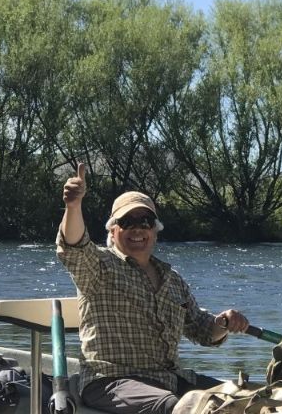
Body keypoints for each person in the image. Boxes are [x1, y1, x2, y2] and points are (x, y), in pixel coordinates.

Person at [57, 163, 250, 414]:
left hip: (170, 380)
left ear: (155, 232)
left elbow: (203, 330)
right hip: (110, 381)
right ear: (113, 231)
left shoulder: (173, 280)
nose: (137, 228)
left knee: (247, 398)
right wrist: (73, 207)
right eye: (127, 221)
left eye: (146, 221)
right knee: (180, 407)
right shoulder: (98, 267)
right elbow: (74, 247)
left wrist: (224, 322)